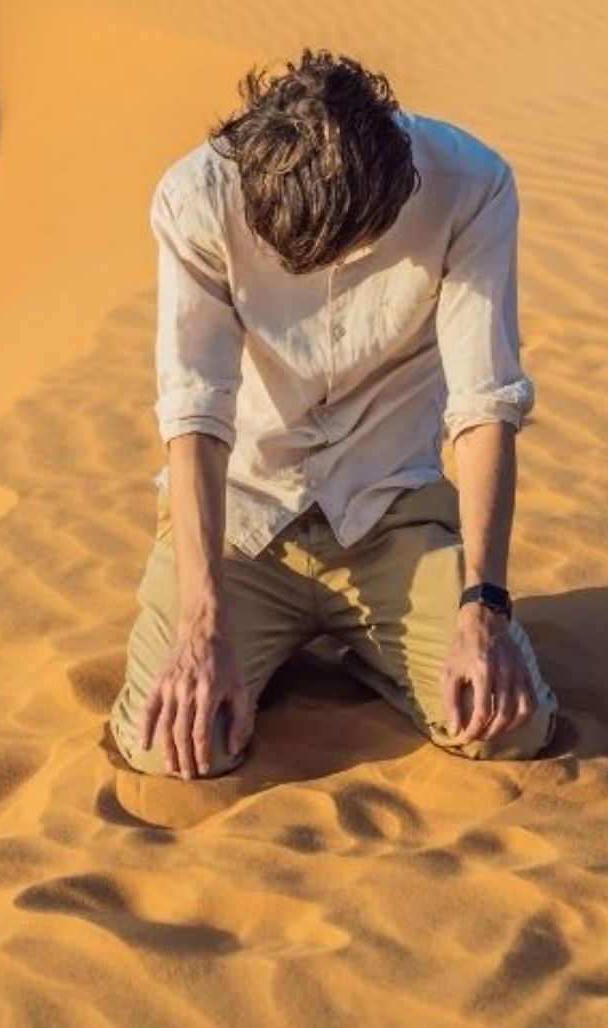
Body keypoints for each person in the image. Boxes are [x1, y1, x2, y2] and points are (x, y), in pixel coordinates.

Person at [107, 48, 559, 780]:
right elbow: (195, 413)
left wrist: (486, 606)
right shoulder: (196, 199)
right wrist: (200, 623)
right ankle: (261, 642)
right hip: (240, 525)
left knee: (507, 731)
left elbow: (486, 404)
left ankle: (367, 649)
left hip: (390, 513)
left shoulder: (471, 186)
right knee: (174, 747)